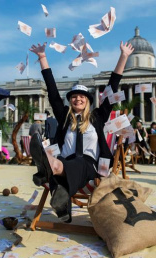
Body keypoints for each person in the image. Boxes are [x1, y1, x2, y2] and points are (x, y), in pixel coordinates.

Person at [29, 41, 134, 223]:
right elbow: (53, 93)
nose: (78, 99)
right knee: (62, 162)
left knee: (66, 165)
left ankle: (47, 169)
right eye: (74, 96)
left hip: (90, 166)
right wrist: (43, 58)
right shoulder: (64, 118)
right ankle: (62, 204)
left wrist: (124, 56)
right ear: (71, 101)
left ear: (88, 101)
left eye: (82, 96)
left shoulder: (97, 117)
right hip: (66, 161)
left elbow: (112, 87)